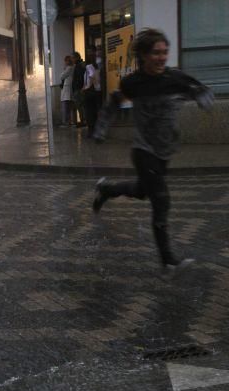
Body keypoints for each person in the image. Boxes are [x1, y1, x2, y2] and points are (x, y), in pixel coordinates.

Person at [92, 28, 214, 271]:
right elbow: (113, 103)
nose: (162, 57)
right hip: (143, 150)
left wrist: (201, 96)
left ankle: (106, 189)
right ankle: (168, 260)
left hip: (164, 150)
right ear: (144, 56)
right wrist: (101, 128)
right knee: (161, 200)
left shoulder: (175, 78)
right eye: (156, 53)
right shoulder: (133, 82)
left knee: (141, 191)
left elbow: (199, 89)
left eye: (165, 52)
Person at [83, 46, 102, 138]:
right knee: (95, 111)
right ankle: (95, 130)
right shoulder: (96, 65)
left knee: (89, 112)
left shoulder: (88, 66)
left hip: (90, 91)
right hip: (97, 90)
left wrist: (87, 86)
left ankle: (91, 131)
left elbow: (91, 76)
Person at [71, 51, 86, 127]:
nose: (72, 60)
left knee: (80, 105)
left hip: (79, 89)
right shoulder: (78, 65)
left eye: (73, 58)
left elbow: (80, 78)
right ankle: (83, 120)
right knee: (79, 106)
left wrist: (78, 87)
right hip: (78, 89)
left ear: (76, 58)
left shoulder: (79, 66)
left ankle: (83, 121)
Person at [60, 55, 74, 127]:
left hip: (67, 89)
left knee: (66, 106)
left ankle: (67, 122)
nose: (65, 62)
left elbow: (62, 76)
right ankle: (69, 121)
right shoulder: (71, 68)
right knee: (68, 106)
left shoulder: (69, 68)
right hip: (68, 89)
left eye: (66, 61)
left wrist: (64, 69)